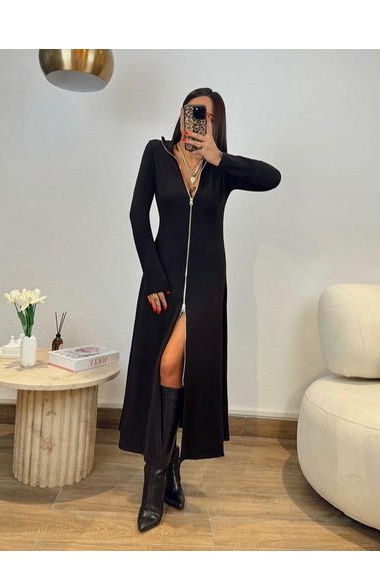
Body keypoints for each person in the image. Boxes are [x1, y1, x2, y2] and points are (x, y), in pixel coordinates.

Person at [119, 87, 281, 532]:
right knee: (167, 367)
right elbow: (137, 216)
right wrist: (153, 274)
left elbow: (272, 177)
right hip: (164, 284)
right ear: (181, 114)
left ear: (214, 124)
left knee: (177, 365)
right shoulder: (156, 154)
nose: (195, 120)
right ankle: (164, 472)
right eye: (191, 111)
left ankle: (155, 483)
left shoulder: (220, 169)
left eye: (205, 116)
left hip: (207, 287)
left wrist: (218, 157)